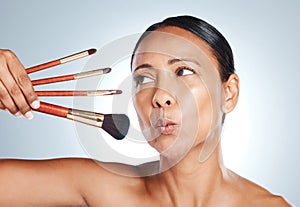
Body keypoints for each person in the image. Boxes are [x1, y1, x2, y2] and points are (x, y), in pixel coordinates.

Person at [0, 15, 292, 206]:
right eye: (143, 78)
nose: (161, 97)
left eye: (184, 71)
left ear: (228, 93)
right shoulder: (96, 189)